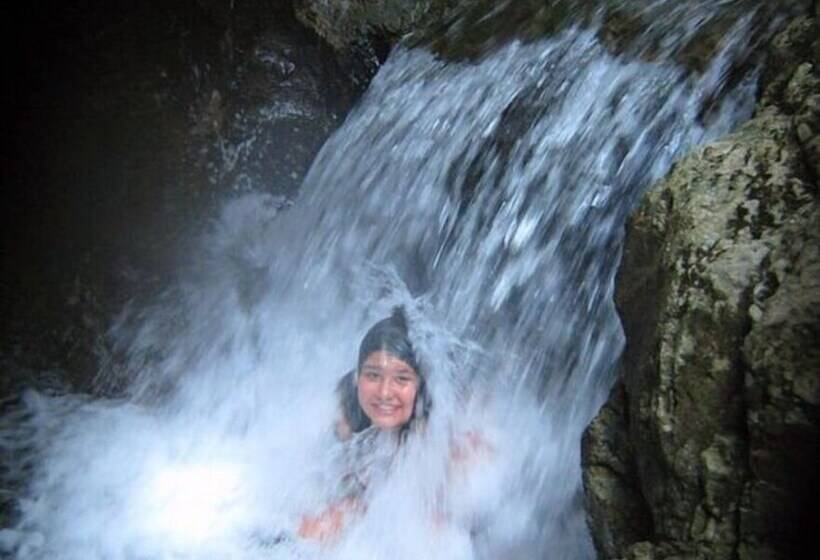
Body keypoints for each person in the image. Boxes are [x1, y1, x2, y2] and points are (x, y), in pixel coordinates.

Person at [298, 307, 431, 542]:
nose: (385, 392)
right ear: (358, 377)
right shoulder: (346, 410)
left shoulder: (435, 425)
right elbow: (330, 483)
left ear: (419, 385)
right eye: (373, 375)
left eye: (402, 378)